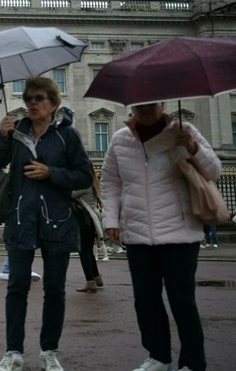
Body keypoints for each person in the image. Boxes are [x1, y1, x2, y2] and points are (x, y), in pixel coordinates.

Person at [0, 77, 92, 371]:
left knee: (55, 290)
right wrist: (2, 138)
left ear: (53, 104)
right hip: (21, 219)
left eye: (39, 98)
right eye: (29, 97)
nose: (31, 102)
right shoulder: (17, 132)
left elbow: (84, 176)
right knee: (17, 287)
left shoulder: (66, 136)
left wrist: (51, 173)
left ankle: (49, 350)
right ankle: (13, 351)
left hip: (57, 220)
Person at [102, 102, 219, 371]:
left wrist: (193, 148)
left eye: (151, 104)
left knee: (182, 300)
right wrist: (110, 220)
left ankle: (192, 362)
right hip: (138, 232)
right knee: (145, 300)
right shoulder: (120, 139)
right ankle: (159, 356)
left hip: (180, 232)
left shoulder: (184, 130)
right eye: (140, 104)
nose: (145, 109)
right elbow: (110, 181)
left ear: (163, 104)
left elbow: (214, 171)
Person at [73, 165, 104, 293]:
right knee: (88, 250)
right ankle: (96, 277)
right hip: (91, 220)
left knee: (83, 251)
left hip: (84, 220)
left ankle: (90, 281)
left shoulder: (84, 183)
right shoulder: (92, 181)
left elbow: (69, 194)